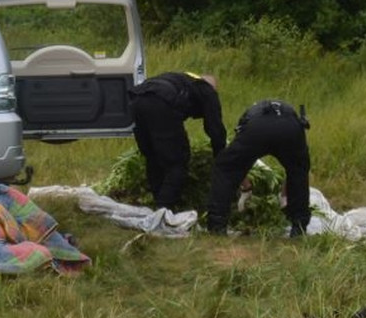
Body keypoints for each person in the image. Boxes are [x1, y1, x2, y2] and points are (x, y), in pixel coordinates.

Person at [206, 100, 312, 236]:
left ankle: (217, 225)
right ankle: (299, 227)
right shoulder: (293, 118)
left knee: (225, 167)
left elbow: (234, 166)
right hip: (290, 129)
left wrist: (245, 186)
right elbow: (298, 169)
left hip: (256, 129)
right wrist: (285, 195)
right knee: (299, 172)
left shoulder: (249, 118)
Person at [129, 71, 226, 210]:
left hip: (137, 99)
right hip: (161, 103)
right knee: (177, 162)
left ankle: (158, 203)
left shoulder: (183, 79)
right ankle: (164, 209)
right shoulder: (207, 90)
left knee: (153, 157)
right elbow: (216, 130)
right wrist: (221, 160)